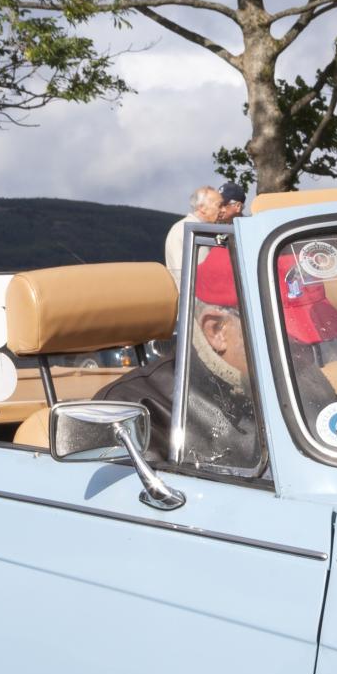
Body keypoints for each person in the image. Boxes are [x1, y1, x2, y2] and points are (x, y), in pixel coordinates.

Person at [94, 246, 262, 466]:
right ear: (217, 331)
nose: (303, 357)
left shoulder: (303, 382)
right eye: (286, 338)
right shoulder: (130, 408)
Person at [164, 185, 223, 282]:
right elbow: (182, 273)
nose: (223, 210)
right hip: (193, 295)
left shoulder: (203, 230)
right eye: (219, 205)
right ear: (202, 208)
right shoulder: (184, 230)